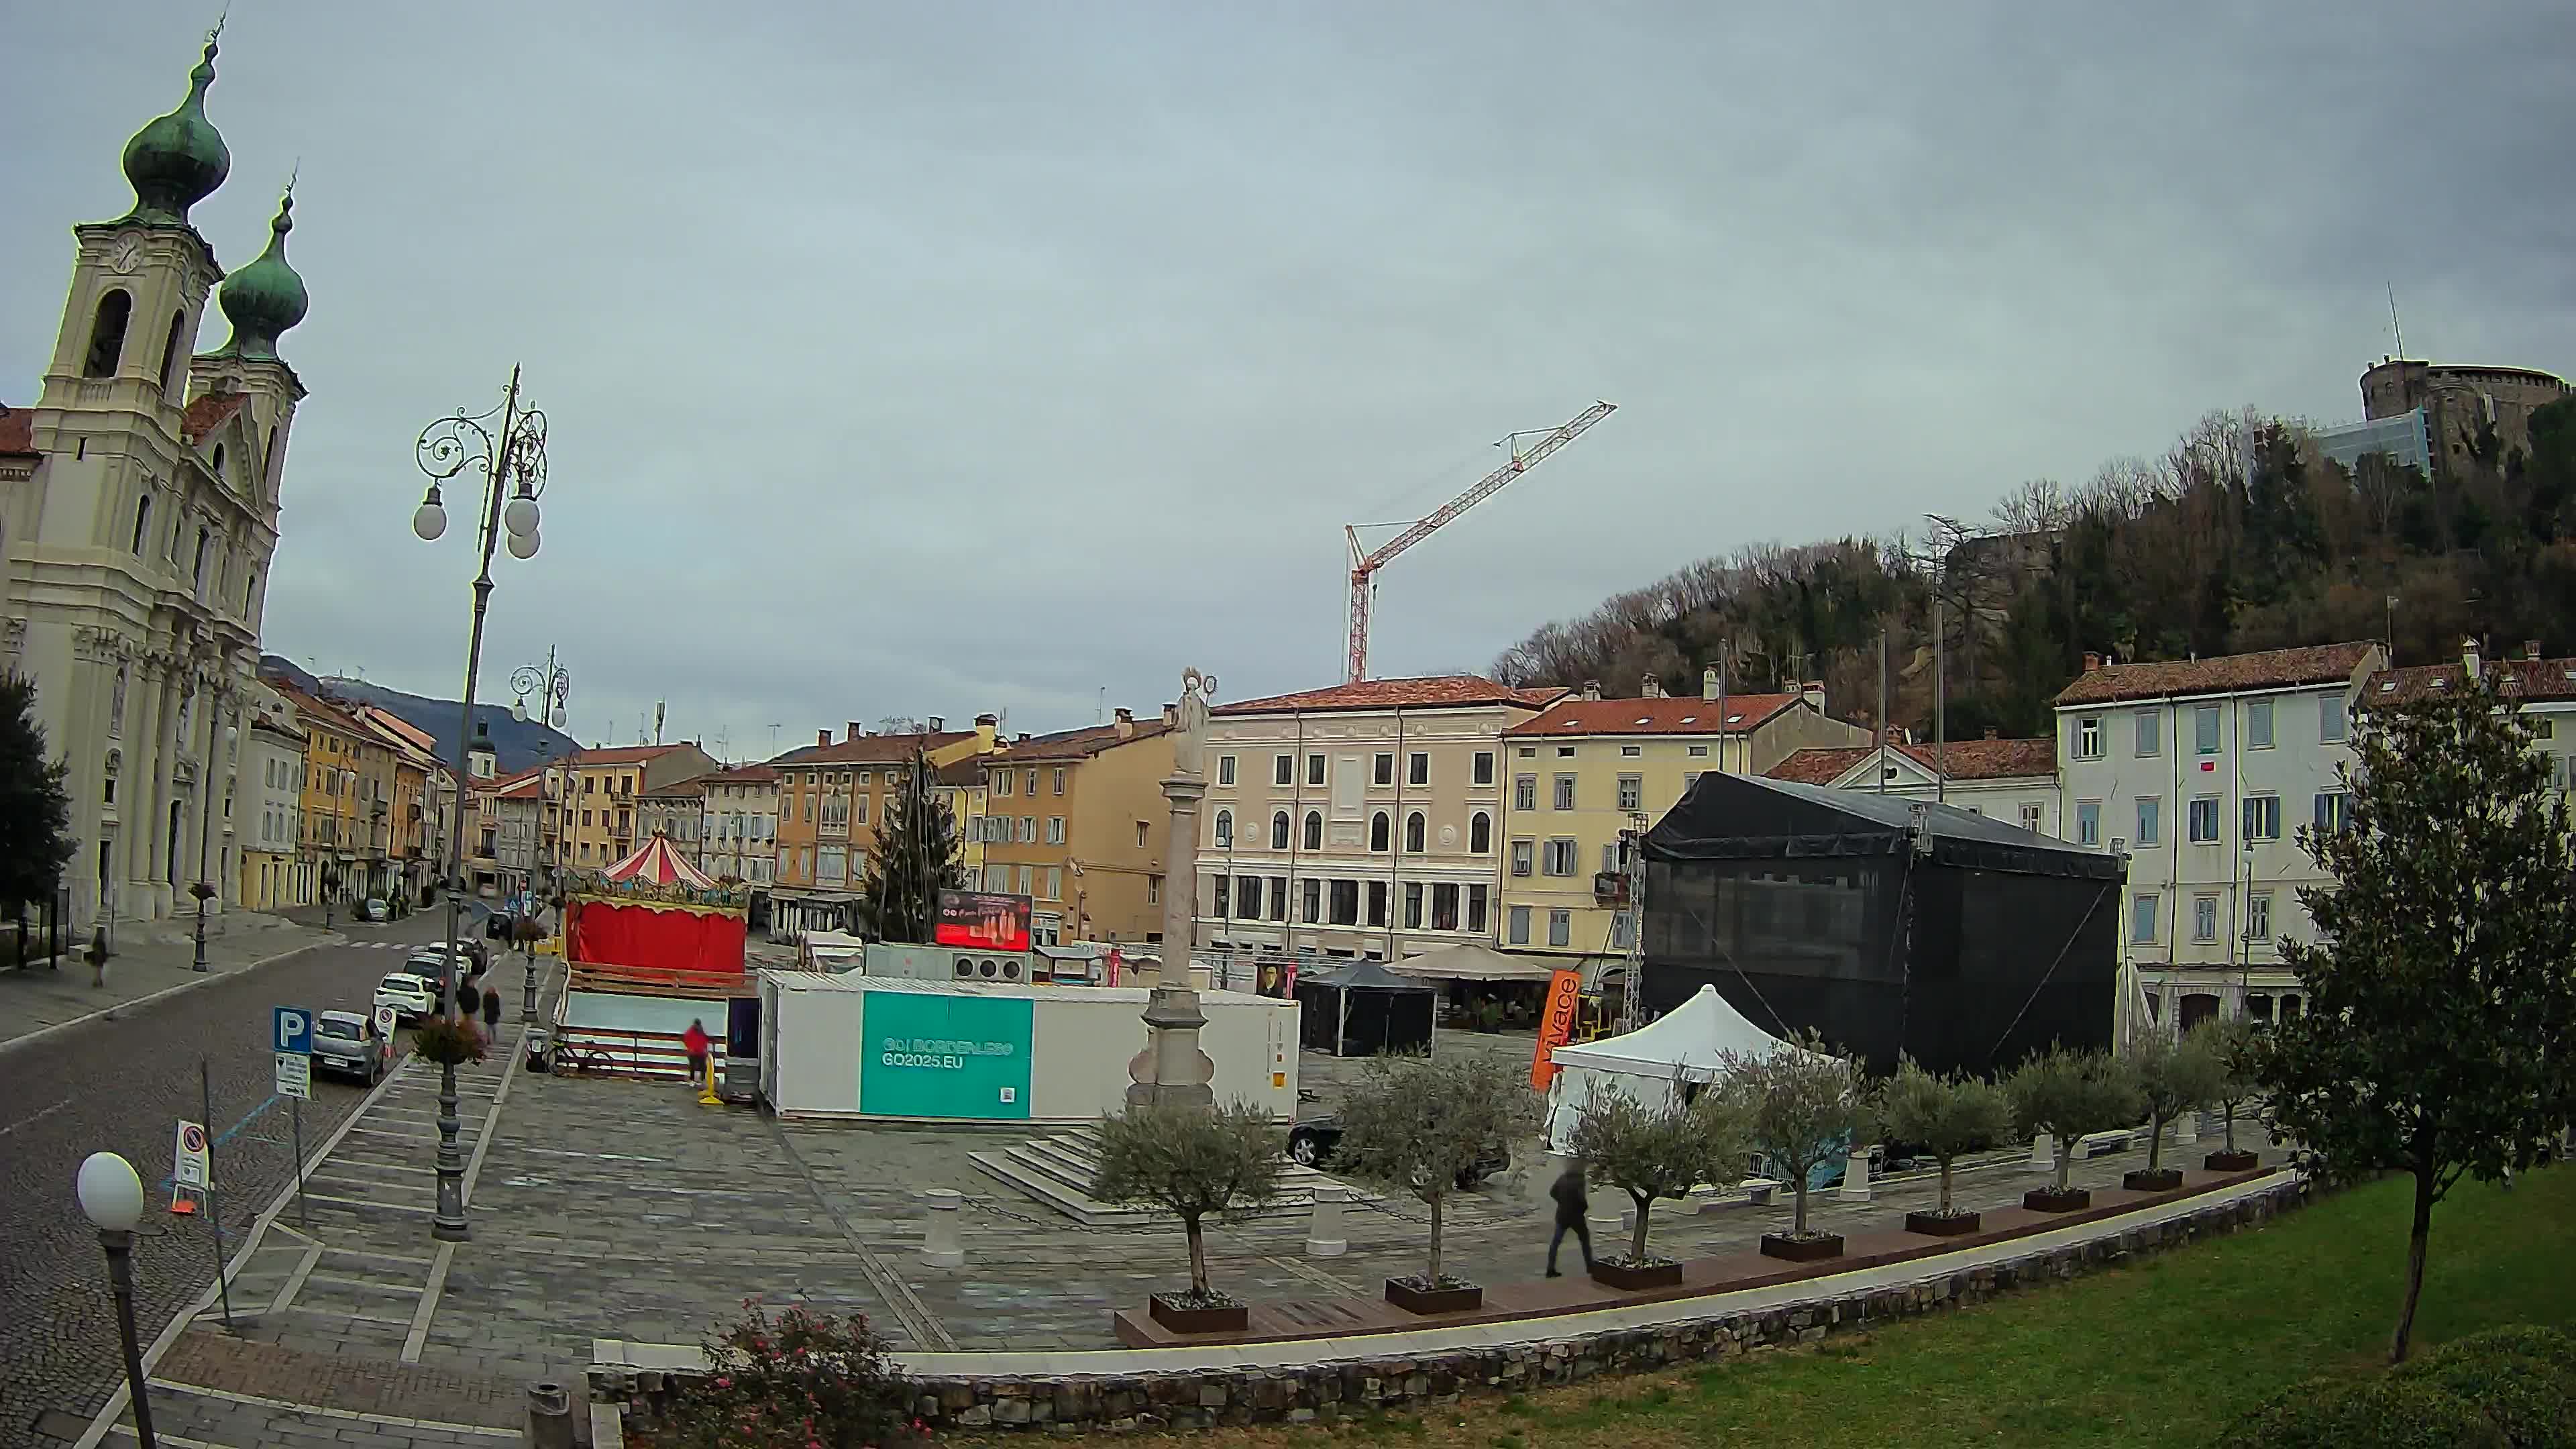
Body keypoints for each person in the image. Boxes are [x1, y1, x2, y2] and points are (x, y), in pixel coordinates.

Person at [1546, 1161, 1594, 1277]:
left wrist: (1562, 1202)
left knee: (1555, 1243)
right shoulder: (1579, 1180)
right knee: (1585, 1242)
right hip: (1576, 1217)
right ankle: (1590, 1267)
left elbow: (1552, 1192)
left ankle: (1550, 1269)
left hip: (1562, 1215)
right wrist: (1584, 1208)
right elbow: (1581, 1199)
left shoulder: (1562, 1178)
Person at [682, 1018, 711, 1089]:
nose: (697, 1026)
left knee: (703, 1067)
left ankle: (703, 1080)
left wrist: (705, 1049)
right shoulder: (690, 1032)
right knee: (692, 1067)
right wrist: (690, 1048)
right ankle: (692, 1080)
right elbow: (686, 1040)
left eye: (698, 1025)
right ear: (694, 1024)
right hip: (693, 1052)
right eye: (696, 1025)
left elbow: (704, 1040)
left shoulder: (702, 1031)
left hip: (701, 1052)